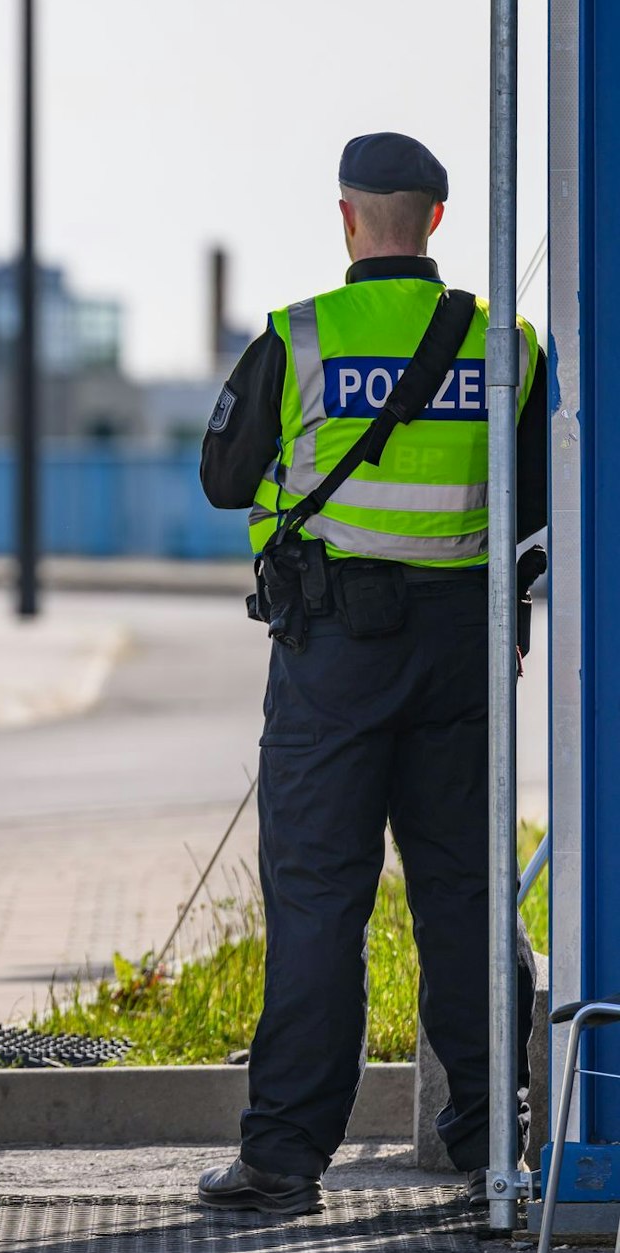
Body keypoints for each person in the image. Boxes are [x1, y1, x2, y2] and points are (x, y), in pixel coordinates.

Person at [197, 132, 542, 1216]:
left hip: (332, 657)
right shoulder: (508, 348)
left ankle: (283, 1160)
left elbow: (220, 477)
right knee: (465, 898)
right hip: (463, 651)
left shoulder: (298, 337)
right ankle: (496, 1141)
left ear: (346, 216)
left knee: (314, 903)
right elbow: (539, 501)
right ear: (434, 220)